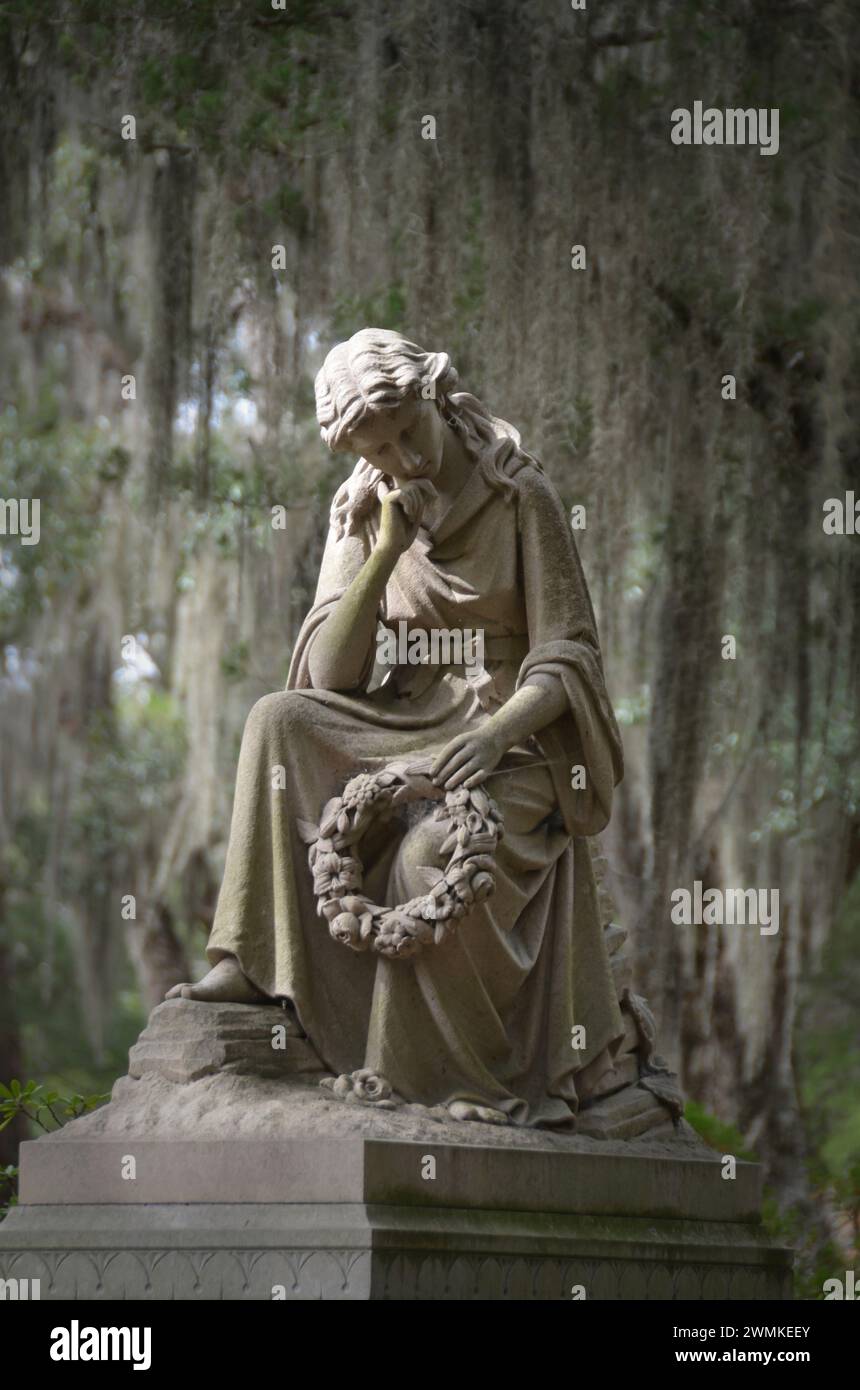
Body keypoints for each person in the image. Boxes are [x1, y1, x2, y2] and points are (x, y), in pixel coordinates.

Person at [167, 327, 626, 1128]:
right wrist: (381, 552)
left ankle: (441, 1079)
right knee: (277, 718)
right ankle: (250, 958)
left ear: (436, 394)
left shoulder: (519, 495)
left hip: (505, 733)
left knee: (428, 856)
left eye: (409, 433)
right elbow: (328, 678)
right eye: (377, 451)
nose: (403, 460)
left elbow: (570, 656)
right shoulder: (366, 507)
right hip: (404, 714)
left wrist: (491, 737)